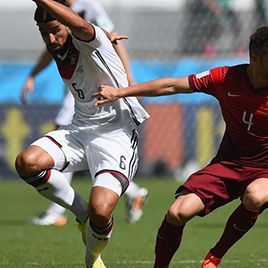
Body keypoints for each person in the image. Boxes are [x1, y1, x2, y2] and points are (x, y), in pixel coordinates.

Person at [93, 26, 268, 268]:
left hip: (265, 170)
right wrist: (121, 92)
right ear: (256, 58)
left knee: (255, 196)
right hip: (228, 164)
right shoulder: (226, 78)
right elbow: (172, 86)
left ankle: (214, 256)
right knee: (178, 213)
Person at [15, 0, 149, 267]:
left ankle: (92, 258)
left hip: (116, 134)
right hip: (79, 128)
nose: (50, 39)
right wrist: (32, 74)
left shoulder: (91, 37)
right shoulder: (57, 42)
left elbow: (79, 24)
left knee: (102, 211)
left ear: (68, 22)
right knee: (27, 162)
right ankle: (81, 214)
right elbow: (59, 29)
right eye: (44, 33)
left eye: (55, 30)